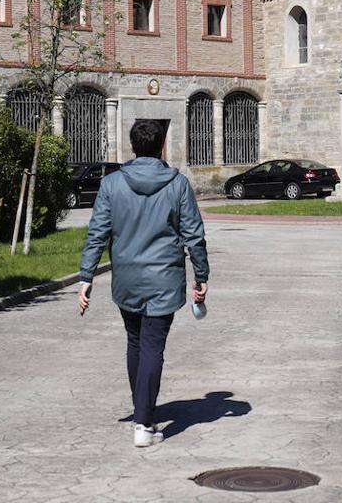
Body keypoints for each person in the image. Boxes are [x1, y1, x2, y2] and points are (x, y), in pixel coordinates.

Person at [78, 119, 209, 447]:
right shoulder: (177, 184)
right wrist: (201, 276)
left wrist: (86, 278)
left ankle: (142, 413)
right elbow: (194, 234)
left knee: (135, 342)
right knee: (152, 346)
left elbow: (98, 233)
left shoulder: (112, 184)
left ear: (133, 146)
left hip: (128, 279)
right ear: (161, 145)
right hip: (164, 278)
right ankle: (144, 423)